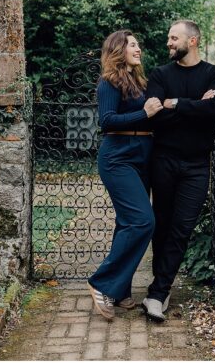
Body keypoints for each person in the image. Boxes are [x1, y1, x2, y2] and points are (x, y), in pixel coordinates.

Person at [142, 19, 215, 322]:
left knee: (182, 228)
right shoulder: (160, 74)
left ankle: (156, 292)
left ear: (192, 41)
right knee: (161, 225)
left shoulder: (214, 74)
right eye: (168, 38)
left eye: (173, 38)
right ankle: (161, 289)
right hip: (163, 160)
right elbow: (154, 119)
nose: (169, 43)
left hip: (196, 165)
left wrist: (176, 104)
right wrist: (195, 108)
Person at [87, 29, 164, 320]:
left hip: (142, 156)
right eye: (133, 44)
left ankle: (119, 291)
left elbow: (152, 111)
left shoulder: (138, 81)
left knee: (127, 223)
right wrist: (144, 113)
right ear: (119, 49)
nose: (139, 48)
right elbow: (107, 122)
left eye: (138, 44)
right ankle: (101, 283)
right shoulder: (109, 83)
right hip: (118, 157)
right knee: (144, 221)